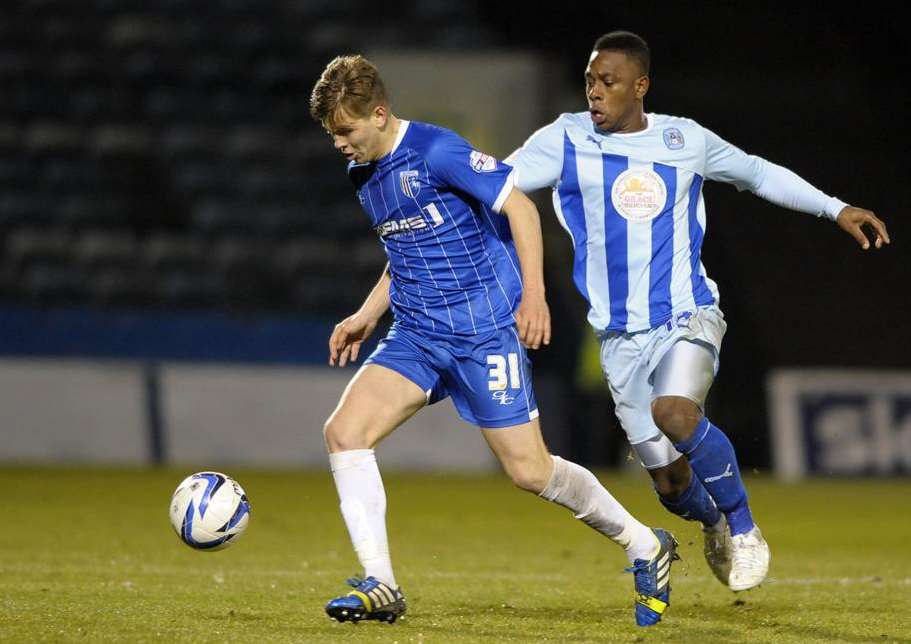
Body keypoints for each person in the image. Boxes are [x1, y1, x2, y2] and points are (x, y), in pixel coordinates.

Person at [506, 31, 889, 592]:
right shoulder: (563, 140)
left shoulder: (684, 139)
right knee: (669, 482)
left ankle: (745, 529)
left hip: (687, 313)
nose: (594, 92)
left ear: (640, 86)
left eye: (607, 82)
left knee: (676, 413)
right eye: (589, 80)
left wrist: (835, 208)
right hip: (618, 338)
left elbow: (756, 172)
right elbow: (492, 183)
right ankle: (712, 522)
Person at [309, 54, 679, 628]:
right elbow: (406, 247)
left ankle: (644, 545)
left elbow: (521, 208)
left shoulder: (437, 151)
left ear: (379, 114)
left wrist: (534, 294)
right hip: (417, 333)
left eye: (346, 131)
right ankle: (381, 582)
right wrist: (365, 313)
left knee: (530, 471)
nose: (340, 144)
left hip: (483, 333)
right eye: (333, 135)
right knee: (344, 432)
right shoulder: (363, 173)